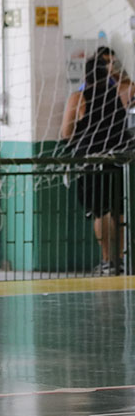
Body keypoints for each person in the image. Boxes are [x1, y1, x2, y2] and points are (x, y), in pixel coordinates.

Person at [61, 55, 135, 275]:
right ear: (108, 74)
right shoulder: (121, 92)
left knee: (99, 212)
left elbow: (66, 132)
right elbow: (131, 85)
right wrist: (116, 72)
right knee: (118, 210)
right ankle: (121, 258)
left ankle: (106, 260)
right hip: (118, 158)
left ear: (86, 76)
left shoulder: (79, 98)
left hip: (91, 160)